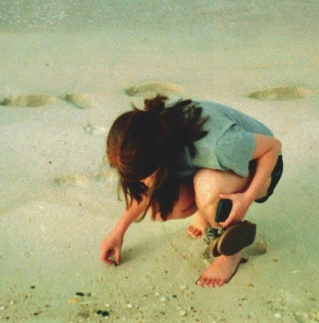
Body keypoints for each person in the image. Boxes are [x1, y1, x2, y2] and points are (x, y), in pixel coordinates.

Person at [100, 95, 283, 288]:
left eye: (144, 175)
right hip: (216, 161)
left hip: (263, 164)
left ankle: (231, 252)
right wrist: (118, 231)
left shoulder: (219, 145)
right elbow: (145, 192)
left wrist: (247, 198)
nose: (143, 182)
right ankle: (207, 211)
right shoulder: (150, 130)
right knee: (161, 206)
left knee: (208, 185)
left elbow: (273, 147)